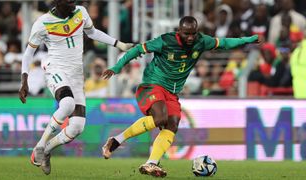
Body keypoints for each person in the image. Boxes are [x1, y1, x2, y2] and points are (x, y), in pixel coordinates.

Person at [101, 16, 259, 177]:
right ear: (179, 31)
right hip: (153, 84)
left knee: (173, 125)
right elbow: (137, 50)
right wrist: (117, 67)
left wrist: (246, 40)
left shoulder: (201, 41)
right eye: (186, 34)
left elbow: (224, 43)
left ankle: (151, 163)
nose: (190, 38)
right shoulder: (165, 41)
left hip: (172, 92)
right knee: (160, 118)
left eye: (193, 33)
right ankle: (117, 140)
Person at [18, 0, 133, 175]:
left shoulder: (81, 12)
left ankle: (47, 150)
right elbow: (28, 54)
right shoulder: (43, 23)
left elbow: (93, 33)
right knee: (67, 104)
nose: (74, 3)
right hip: (56, 69)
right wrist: (24, 80)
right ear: (57, 2)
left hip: (77, 75)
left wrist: (119, 44)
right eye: (69, 1)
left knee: (77, 127)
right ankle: (39, 147)